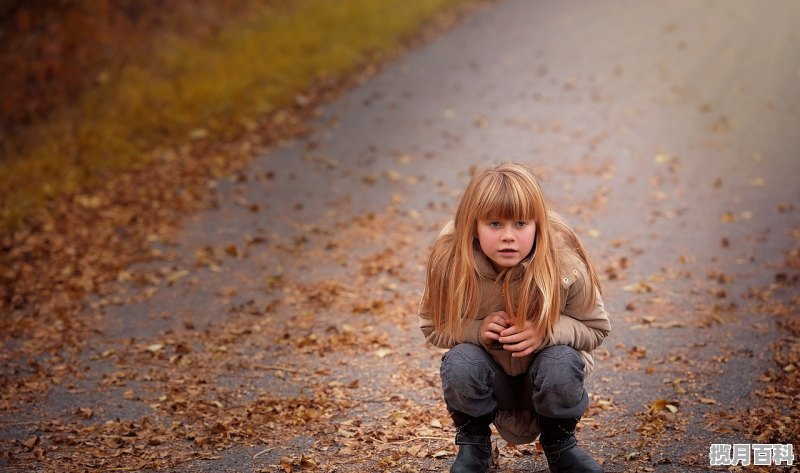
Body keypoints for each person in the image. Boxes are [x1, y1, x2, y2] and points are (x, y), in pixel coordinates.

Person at [418, 162, 611, 472]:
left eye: (521, 224)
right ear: (473, 226)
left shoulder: (563, 263)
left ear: (538, 225)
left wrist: (545, 331)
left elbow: (596, 329)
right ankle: (474, 445)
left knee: (562, 360)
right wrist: (477, 329)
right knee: (460, 361)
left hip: (546, 377)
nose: (509, 236)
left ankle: (561, 444)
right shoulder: (452, 264)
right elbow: (432, 327)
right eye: (495, 224)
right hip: (492, 380)